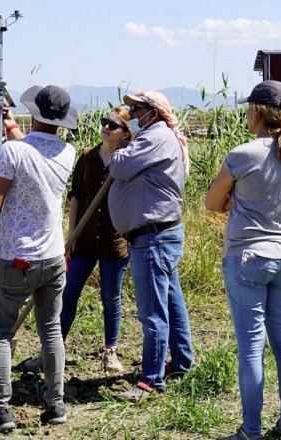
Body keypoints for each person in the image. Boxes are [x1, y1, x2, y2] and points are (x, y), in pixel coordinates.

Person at [0, 85, 77, 433]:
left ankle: (0, 410)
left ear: (33, 113)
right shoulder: (67, 151)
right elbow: (37, 150)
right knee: (51, 331)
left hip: (16, 257)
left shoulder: (13, 152)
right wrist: (12, 126)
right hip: (53, 256)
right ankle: (55, 405)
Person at [206, 80, 281, 439]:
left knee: (251, 349)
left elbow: (211, 203)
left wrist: (236, 203)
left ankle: (251, 431)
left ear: (257, 111)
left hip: (248, 257)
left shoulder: (242, 155)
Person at [19, 108, 134, 373]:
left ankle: (110, 352)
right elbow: (76, 197)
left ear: (125, 133)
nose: (106, 127)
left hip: (114, 240)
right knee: (68, 293)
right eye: (104, 122)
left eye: (113, 125)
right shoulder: (87, 157)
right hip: (84, 238)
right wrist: (70, 237)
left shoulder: (128, 161)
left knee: (110, 297)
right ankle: (51, 352)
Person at [108, 90, 195, 402]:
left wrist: (116, 146)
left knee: (152, 312)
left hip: (153, 238)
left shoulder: (155, 136)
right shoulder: (160, 136)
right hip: (159, 235)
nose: (132, 113)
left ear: (154, 112)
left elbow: (118, 167)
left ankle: (151, 381)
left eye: (137, 108)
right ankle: (183, 362)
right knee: (171, 302)